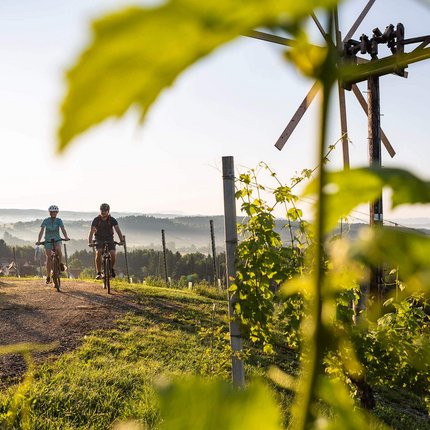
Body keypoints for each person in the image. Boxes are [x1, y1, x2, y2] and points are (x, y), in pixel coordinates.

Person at [88, 203, 124, 280]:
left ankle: (111, 269)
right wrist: (90, 241)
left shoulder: (112, 220)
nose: (103, 212)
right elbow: (91, 231)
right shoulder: (96, 220)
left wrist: (121, 240)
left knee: (113, 254)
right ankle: (99, 273)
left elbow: (118, 230)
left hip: (109, 238)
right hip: (99, 238)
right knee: (99, 252)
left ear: (108, 211)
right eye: (101, 210)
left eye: (105, 210)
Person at [36, 205, 70, 284]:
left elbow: (63, 229)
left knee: (58, 249)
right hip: (48, 240)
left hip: (57, 239)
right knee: (48, 257)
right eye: (52, 212)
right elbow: (41, 231)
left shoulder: (59, 220)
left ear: (57, 213)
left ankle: (60, 263)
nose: (53, 213)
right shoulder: (46, 220)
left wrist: (66, 237)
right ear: (50, 213)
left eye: (55, 212)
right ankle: (48, 276)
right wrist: (39, 240)